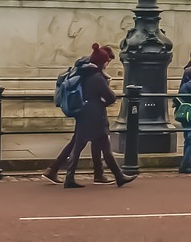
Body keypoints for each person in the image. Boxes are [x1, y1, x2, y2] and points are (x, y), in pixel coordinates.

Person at [47, 44, 131, 187]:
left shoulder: (86, 73)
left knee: (85, 145)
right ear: (102, 62)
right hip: (95, 116)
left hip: (85, 114)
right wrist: (104, 97)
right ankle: (115, 176)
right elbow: (111, 97)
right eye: (106, 61)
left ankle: (114, 176)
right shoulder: (97, 77)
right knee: (88, 146)